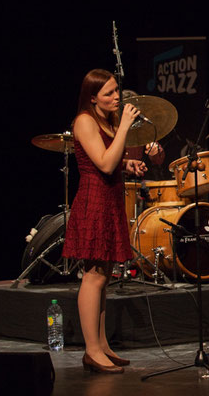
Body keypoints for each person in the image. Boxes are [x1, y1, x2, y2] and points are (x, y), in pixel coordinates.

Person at [61, 69, 146, 374]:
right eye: (109, 93)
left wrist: (128, 162)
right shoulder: (84, 120)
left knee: (104, 276)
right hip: (94, 200)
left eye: (116, 91)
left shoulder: (104, 121)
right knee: (93, 276)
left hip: (110, 199)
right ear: (92, 97)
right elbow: (104, 163)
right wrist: (124, 126)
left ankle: (102, 345)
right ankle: (91, 350)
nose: (116, 98)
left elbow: (111, 160)